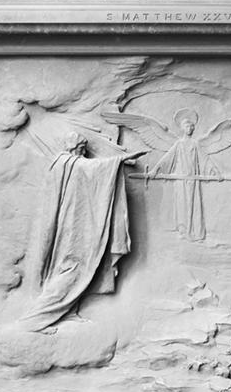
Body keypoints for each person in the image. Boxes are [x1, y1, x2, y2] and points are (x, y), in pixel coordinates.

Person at [16, 132, 146, 333]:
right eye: (82, 149)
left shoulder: (65, 164)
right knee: (72, 269)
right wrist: (121, 159)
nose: (84, 152)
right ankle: (33, 320)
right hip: (71, 230)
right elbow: (91, 168)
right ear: (74, 147)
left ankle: (67, 312)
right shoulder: (67, 163)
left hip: (72, 225)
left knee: (75, 270)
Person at [149, 108, 222, 241]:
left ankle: (195, 231)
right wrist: (156, 169)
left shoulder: (195, 144)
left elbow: (204, 159)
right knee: (182, 203)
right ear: (182, 128)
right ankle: (184, 231)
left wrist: (215, 171)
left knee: (194, 203)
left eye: (191, 126)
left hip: (193, 178)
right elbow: (167, 158)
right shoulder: (179, 144)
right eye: (187, 126)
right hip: (181, 179)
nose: (190, 129)